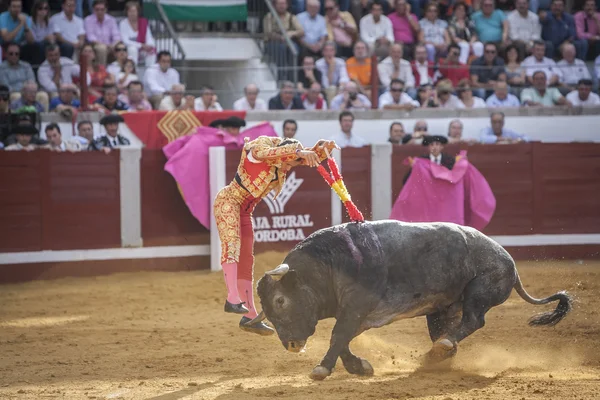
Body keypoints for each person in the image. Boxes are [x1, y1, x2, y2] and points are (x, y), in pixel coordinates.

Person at [214, 136, 338, 335]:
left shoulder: (284, 160)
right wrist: (298, 153)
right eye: (290, 162)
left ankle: (249, 317)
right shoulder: (258, 150)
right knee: (232, 245)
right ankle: (231, 299)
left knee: (246, 259)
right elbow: (270, 153)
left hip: (245, 211)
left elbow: (303, 158)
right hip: (228, 202)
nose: (290, 168)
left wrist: (323, 150)